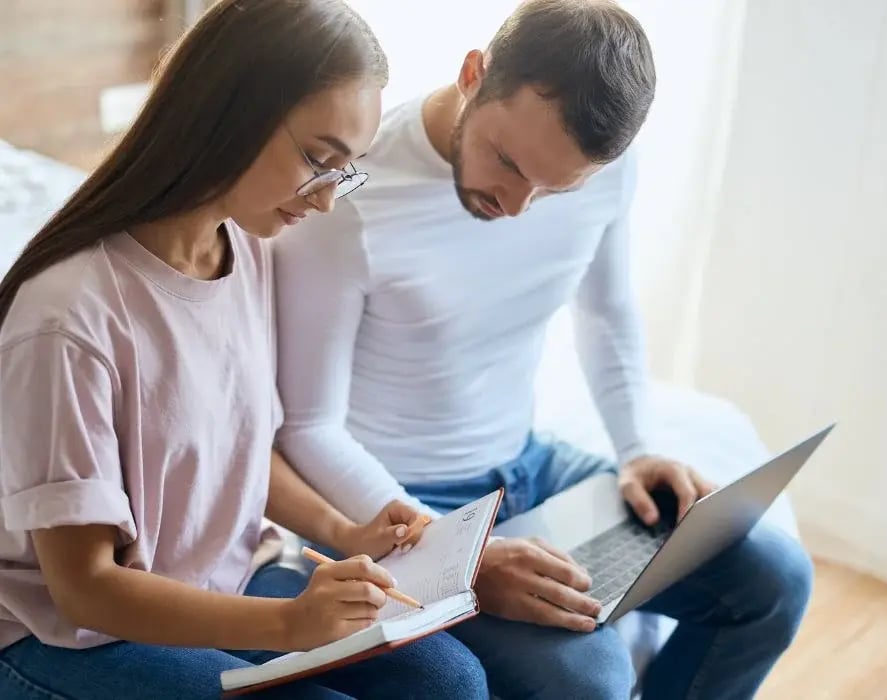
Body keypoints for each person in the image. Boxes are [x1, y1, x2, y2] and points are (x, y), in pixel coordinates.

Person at [273, 0, 815, 698]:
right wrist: (452, 554)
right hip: (406, 503)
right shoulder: (349, 200)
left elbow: (607, 311)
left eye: (557, 187)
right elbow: (307, 427)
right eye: (508, 162)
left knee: (775, 581)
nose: (520, 204)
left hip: (530, 464)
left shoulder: (603, 166)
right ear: (474, 73)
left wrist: (637, 449)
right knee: (590, 681)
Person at [0, 2, 490, 699]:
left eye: (345, 170)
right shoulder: (68, 316)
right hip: (71, 634)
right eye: (320, 160)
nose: (324, 201)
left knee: (451, 682)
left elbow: (230, 446)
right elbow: (85, 590)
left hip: (223, 574)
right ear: (226, 111)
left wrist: (344, 530)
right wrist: (290, 623)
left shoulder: (244, 248)